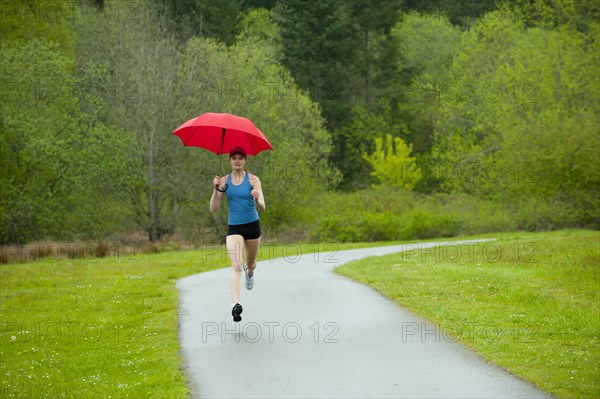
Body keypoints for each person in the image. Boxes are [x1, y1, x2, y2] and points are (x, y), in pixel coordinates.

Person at [210, 146, 266, 322]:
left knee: (250, 263)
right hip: (234, 228)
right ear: (229, 161)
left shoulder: (253, 179)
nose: (237, 160)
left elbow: (263, 207)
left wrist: (256, 198)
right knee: (236, 265)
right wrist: (216, 188)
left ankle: (250, 273)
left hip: (252, 226)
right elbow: (213, 208)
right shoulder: (224, 181)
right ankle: (235, 305)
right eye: (234, 158)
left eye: (240, 158)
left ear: (245, 161)